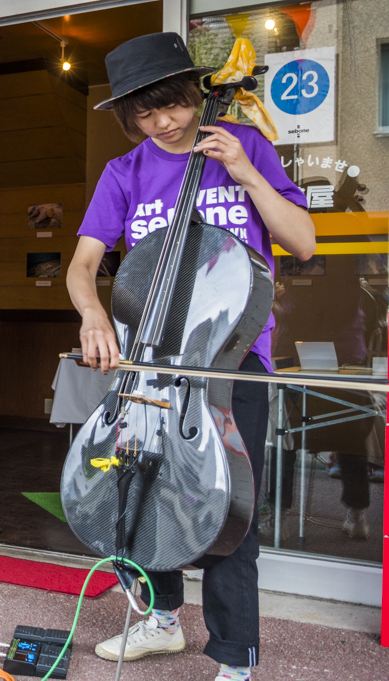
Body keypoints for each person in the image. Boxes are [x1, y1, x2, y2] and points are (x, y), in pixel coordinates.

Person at [65, 33, 316, 681]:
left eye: (172, 106)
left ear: (194, 93)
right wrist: (94, 311)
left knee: (229, 505)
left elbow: (303, 242)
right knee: (136, 490)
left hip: (232, 361)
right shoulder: (124, 172)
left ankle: (234, 656)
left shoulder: (245, 145)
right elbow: (85, 263)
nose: (165, 123)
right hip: (151, 362)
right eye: (145, 115)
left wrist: (246, 172)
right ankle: (163, 617)